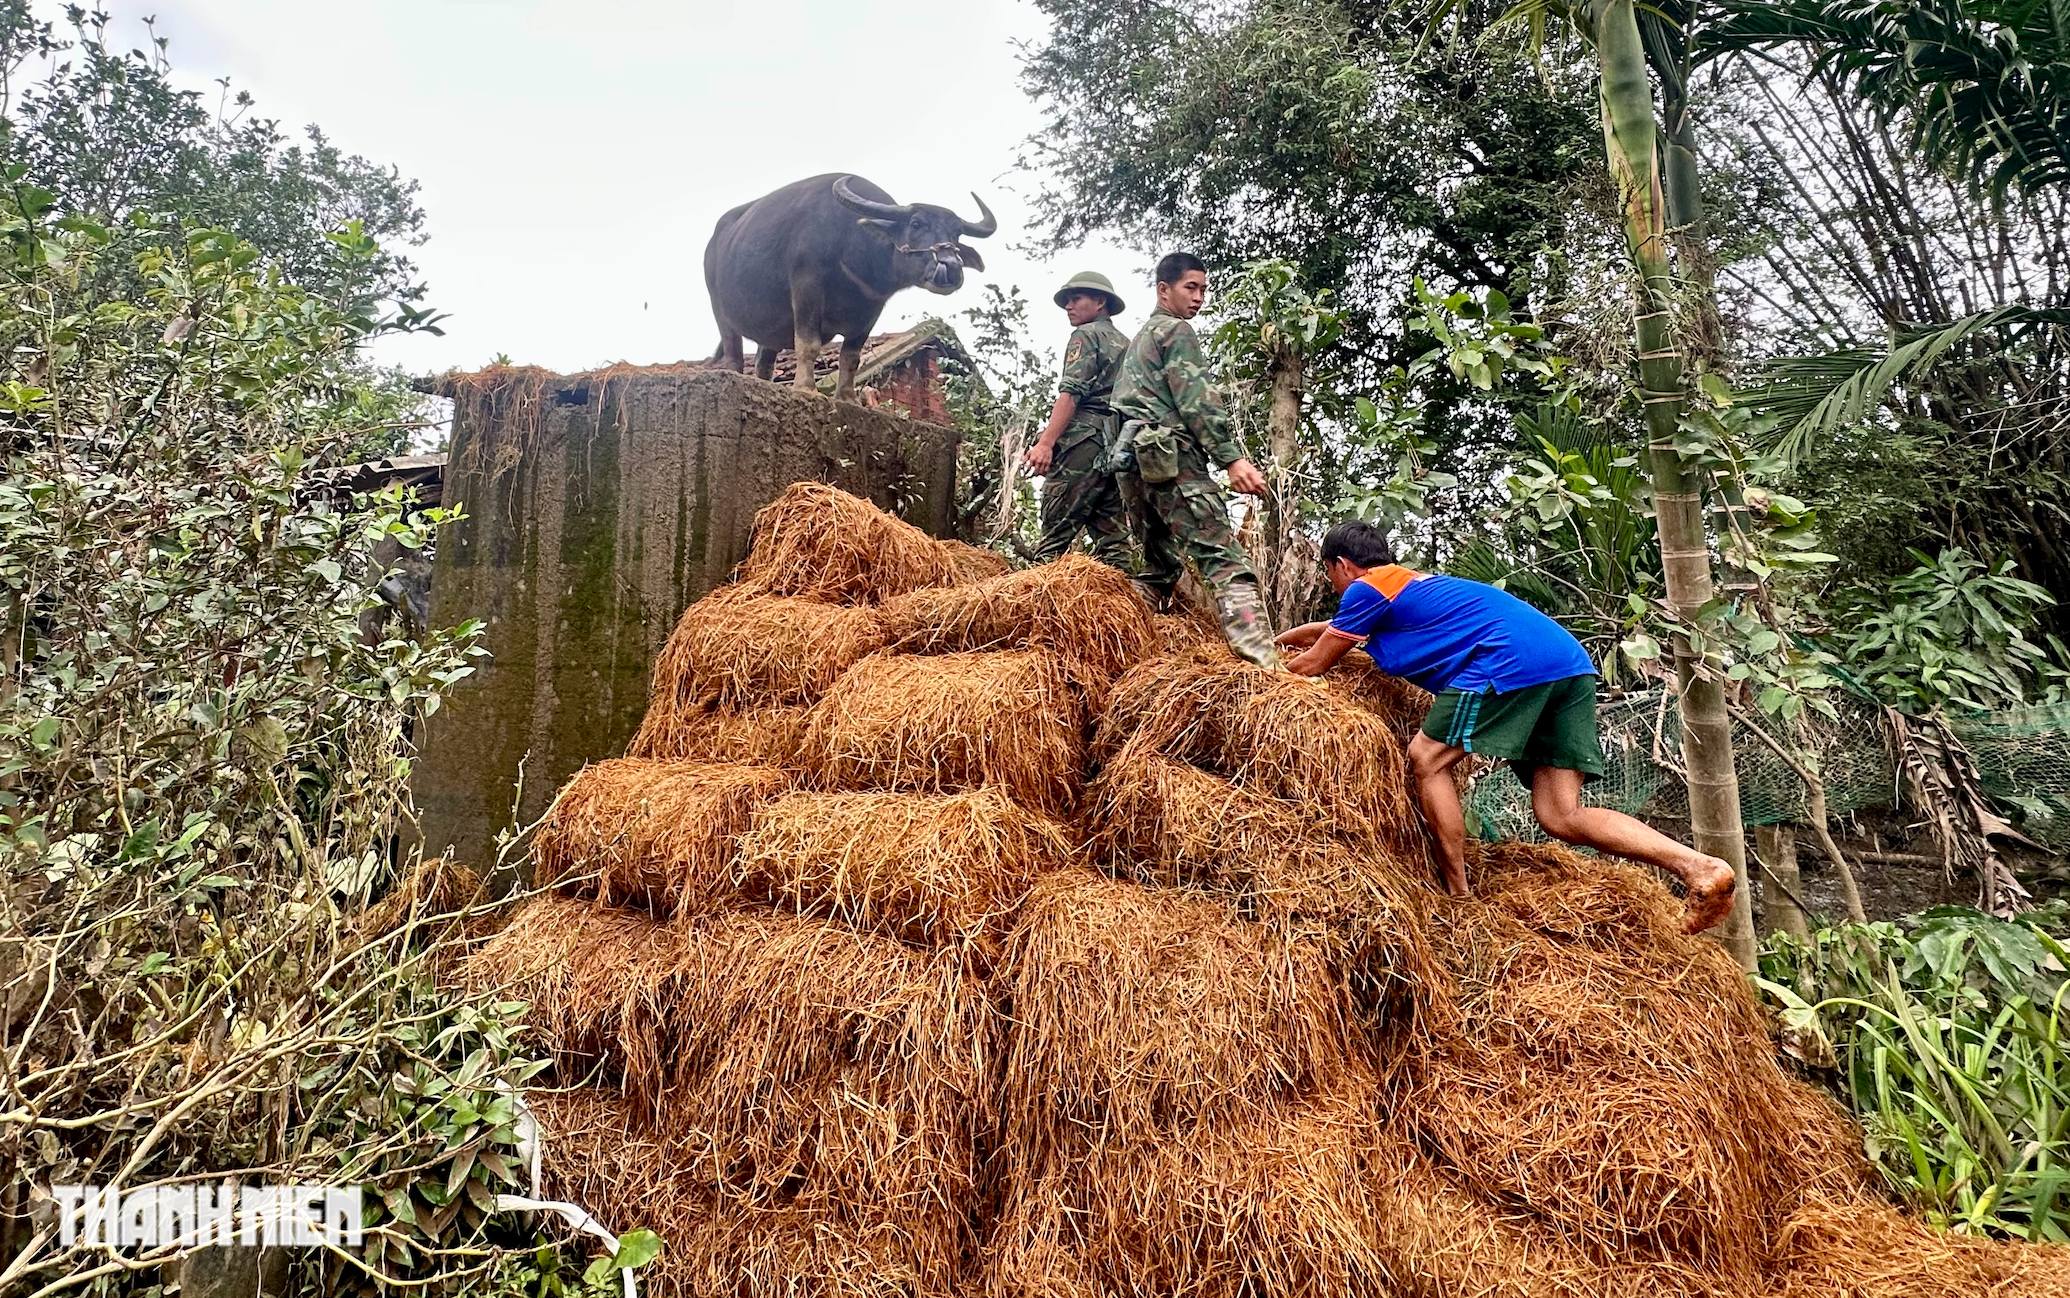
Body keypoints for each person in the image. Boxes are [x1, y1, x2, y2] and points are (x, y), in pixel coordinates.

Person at [1277, 519, 1737, 934]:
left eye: (1330, 575)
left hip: (1508, 662)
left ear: (1340, 565)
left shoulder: (1367, 588)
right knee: (1561, 814)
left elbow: (1317, 662)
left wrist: (1261, 670)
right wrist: (1279, 640)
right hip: (1567, 665)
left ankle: (1457, 894)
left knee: (1426, 758)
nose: (1336, 589)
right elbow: (1327, 632)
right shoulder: (1413, 589)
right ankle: (1697, 867)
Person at [1110, 252, 1276, 668]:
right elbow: (1196, 401)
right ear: (1163, 290)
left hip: (1131, 463)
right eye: (1191, 287)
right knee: (1225, 561)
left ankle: (1118, 651)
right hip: (1171, 459)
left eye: (1203, 289)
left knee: (1156, 567)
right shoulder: (1176, 331)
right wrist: (1232, 459)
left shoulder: (1141, 339)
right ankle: (1263, 667)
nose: (1199, 297)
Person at [1025, 272, 1135, 572]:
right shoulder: (1126, 344)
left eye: (1076, 299)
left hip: (1082, 441)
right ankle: (1128, 610)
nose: (1069, 306)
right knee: (1113, 541)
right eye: (1067, 301)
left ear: (1100, 302)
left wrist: (1045, 443)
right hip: (1115, 447)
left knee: (1053, 536)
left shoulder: (1086, 336)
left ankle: (1031, 607)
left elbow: (1071, 394)